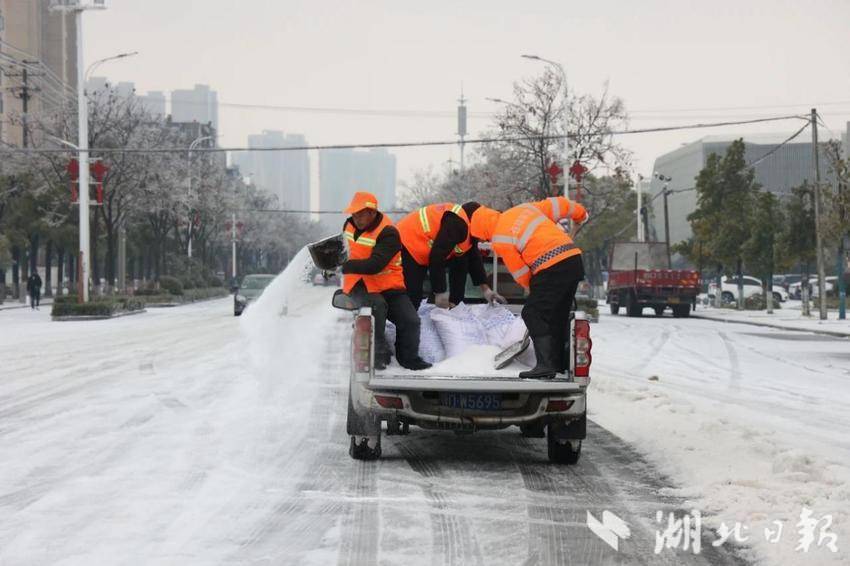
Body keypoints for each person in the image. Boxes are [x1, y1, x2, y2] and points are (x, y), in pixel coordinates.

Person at [469, 196, 589, 379]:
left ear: (481, 230)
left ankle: (545, 365)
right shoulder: (525, 209)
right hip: (573, 261)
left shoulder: (500, 238)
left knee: (532, 313)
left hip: (550, 268)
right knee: (556, 316)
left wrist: (530, 289)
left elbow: (520, 272)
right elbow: (560, 204)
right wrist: (581, 215)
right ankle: (555, 364)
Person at [340, 191, 432, 371]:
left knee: (411, 320)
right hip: (359, 283)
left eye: (360, 215)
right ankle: (378, 355)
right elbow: (342, 249)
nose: (356, 219)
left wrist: (344, 266)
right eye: (354, 214)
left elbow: (375, 265)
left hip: (389, 286)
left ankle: (409, 360)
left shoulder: (388, 233)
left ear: (372, 213)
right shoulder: (348, 225)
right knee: (377, 306)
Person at [396, 201, 505, 309]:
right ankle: (401, 316)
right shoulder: (457, 224)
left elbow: (474, 259)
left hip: (424, 249)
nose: (485, 241)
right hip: (408, 241)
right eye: (487, 238)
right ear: (483, 230)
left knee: (461, 260)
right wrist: (440, 292)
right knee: (413, 295)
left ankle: (454, 303)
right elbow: (437, 256)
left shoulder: (472, 224)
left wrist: (486, 290)